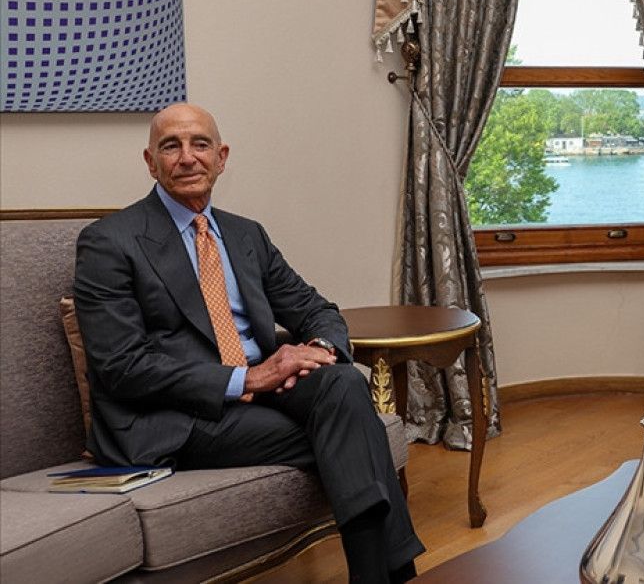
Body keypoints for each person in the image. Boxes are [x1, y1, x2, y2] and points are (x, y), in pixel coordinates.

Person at [73, 103, 423, 582]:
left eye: (200, 144)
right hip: (173, 416)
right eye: (171, 146)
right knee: (351, 429)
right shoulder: (109, 241)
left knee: (343, 383)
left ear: (221, 157)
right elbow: (122, 366)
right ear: (151, 162)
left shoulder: (245, 235)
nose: (187, 157)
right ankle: (394, 574)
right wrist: (249, 378)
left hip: (263, 395)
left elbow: (316, 308)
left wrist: (320, 349)